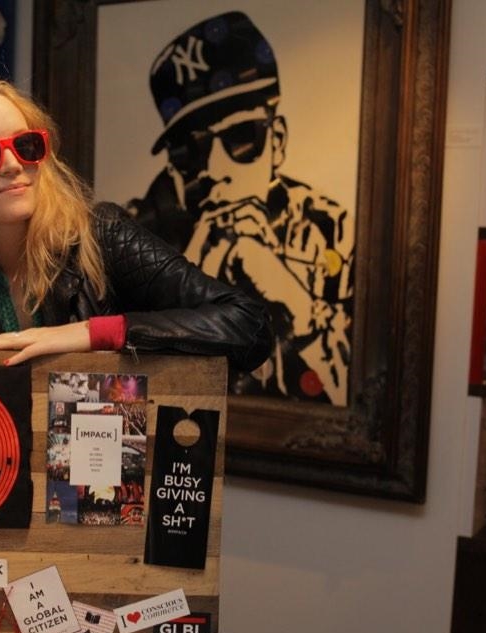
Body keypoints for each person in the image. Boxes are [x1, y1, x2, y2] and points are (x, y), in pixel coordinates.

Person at [0, 72, 272, 373]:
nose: (13, 165)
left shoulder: (99, 234)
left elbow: (248, 325)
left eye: (26, 145)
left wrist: (91, 333)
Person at [125, 11, 353, 404]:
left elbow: (348, 393)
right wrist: (185, 292)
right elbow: (120, 391)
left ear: (277, 142)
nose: (215, 170)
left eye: (240, 138)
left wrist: (300, 309)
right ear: (173, 167)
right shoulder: (138, 233)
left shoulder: (330, 229)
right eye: (190, 151)